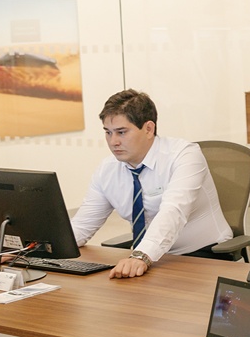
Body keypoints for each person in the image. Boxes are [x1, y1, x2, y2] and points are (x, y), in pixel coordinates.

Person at [69, 89, 233, 279]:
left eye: (121, 132)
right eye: (108, 132)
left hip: (203, 256)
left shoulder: (184, 155)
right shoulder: (107, 170)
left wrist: (141, 256)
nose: (113, 142)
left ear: (148, 129)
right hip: (147, 257)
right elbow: (82, 226)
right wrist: (45, 248)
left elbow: (173, 211)